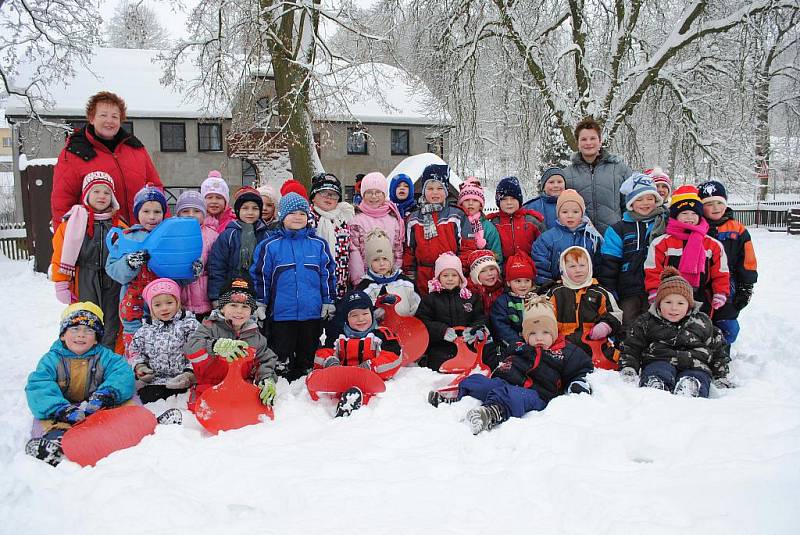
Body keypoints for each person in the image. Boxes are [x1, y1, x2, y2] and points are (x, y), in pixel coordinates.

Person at [430, 296, 593, 435]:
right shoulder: (519, 346)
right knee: (476, 381)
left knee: (510, 395)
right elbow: (497, 361)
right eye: (533, 333)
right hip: (505, 383)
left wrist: (577, 383)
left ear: (554, 333)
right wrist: (488, 344)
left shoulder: (566, 351)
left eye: (545, 333)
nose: (539, 338)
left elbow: (582, 368)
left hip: (535, 394)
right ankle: (457, 400)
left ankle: (491, 413)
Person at [24, 302, 135, 466]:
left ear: (96, 339)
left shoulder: (105, 356)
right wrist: (60, 409)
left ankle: (143, 424)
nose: (81, 335)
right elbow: (39, 385)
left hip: (99, 404)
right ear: (63, 335)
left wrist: (106, 394)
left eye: (89, 330)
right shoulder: (52, 359)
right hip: (64, 408)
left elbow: (123, 373)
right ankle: (55, 444)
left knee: (128, 402)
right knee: (48, 420)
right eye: (75, 329)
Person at [251, 193, 337, 381]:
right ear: (282, 216)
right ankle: (282, 378)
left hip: (312, 312)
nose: (298, 217)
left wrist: (328, 301)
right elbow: (261, 276)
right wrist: (261, 303)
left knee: (308, 350)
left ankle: (306, 375)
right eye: (292, 213)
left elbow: (327, 273)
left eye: (302, 213)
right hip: (282, 313)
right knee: (282, 352)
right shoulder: (271, 246)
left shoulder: (318, 245)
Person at [51, 91, 162, 229]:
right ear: (91, 118)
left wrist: (164, 227)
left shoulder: (136, 149)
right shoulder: (75, 153)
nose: (109, 121)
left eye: (114, 116)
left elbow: (156, 189)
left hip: (141, 235)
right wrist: (63, 242)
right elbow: (62, 203)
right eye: (103, 115)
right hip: (97, 241)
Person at [619, 267, 731, 397]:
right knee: (657, 370)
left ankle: (691, 387)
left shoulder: (702, 322)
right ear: (659, 303)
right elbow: (632, 346)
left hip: (695, 364)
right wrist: (629, 367)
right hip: (660, 360)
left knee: (698, 376)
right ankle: (655, 384)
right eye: (668, 302)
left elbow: (717, 349)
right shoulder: (647, 321)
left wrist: (720, 374)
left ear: (689, 305)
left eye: (680, 303)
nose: (674, 308)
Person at [50, 171, 126, 349]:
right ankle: (84, 360)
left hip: (113, 282)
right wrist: (61, 283)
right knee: (85, 321)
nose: (102, 196)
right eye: (96, 191)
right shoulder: (72, 224)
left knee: (113, 322)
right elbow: (60, 254)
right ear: (86, 195)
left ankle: (110, 361)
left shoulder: (119, 225)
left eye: (107, 192)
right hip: (84, 279)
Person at [184, 277, 279, 412]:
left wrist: (266, 379)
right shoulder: (209, 327)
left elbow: (266, 360)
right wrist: (214, 346)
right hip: (209, 386)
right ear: (222, 308)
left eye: (245, 307)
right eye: (233, 305)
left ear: (251, 312)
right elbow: (191, 349)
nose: (239, 311)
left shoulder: (255, 336)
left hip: (241, 387)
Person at [313, 290, 403, 417]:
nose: (360, 319)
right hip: (342, 378)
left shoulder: (382, 334)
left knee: (367, 393)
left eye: (365, 313)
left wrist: (372, 366)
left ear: (371, 314)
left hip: (370, 380)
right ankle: (335, 406)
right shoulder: (339, 336)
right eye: (354, 315)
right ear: (346, 318)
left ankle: (354, 404)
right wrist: (329, 361)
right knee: (318, 381)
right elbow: (322, 353)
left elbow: (393, 358)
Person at [644, 185, 730, 314]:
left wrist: (720, 292)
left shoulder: (712, 244)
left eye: (694, 213)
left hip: (701, 296)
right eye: (684, 213)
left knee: (698, 329)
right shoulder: (662, 243)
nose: (689, 217)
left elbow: (720, 272)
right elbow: (652, 269)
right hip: (669, 298)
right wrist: (654, 291)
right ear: (675, 215)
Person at [598, 174, 668, 330]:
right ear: (631, 203)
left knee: (657, 326)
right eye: (639, 199)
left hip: (659, 287)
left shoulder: (664, 223)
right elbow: (609, 263)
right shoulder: (618, 229)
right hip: (628, 288)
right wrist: (610, 291)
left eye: (650, 198)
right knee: (629, 326)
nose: (645, 203)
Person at [105, 183, 169, 349]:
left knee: (164, 345)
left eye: (157, 211)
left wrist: (191, 270)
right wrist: (129, 263)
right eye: (146, 211)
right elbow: (112, 269)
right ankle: (137, 371)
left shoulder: (170, 237)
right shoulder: (128, 238)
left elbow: (179, 272)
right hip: (134, 305)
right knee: (136, 347)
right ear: (137, 213)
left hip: (165, 305)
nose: (152, 216)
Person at [698, 180, 758, 344]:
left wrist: (746, 287)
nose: (716, 207)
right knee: (701, 319)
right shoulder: (697, 228)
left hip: (728, 283)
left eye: (719, 202)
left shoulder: (737, 229)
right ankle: (701, 350)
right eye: (709, 204)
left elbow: (747, 261)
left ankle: (722, 350)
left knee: (727, 322)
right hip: (701, 280)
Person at [403, 164, 476, 296]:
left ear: (446, 191)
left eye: (439, 188)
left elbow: (468, 246)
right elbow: (409, 250)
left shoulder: (456, 215)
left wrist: (459, 270)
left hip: (450, 275)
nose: (435, 192)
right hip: (423, 276)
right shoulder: (414, 219)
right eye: (430, 188)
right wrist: (409, 275)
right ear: (424, 191)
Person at [546, 246, 622, 368]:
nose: (578, 270)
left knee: (614, 360)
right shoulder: (555, 293)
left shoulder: (600, 293)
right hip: (563, 342)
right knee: (556, 363)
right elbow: (543, 315)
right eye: (572, 266)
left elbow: (615, 315)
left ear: (590, 266)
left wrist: (605, 326)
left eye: (582, 265)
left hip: (593, 341)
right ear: (563, 269)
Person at [127, 278, 199, 403]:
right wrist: (140, 367)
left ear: (177, 302)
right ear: (150, 307)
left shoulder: (189, 325)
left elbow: (198, 351)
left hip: (183, 381)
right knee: (150, 403)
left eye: (169, 302)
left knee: (185, 403)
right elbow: (134, 352)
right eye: (157, 305)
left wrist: (189, 374)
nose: (164, 308)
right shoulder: (145, 330)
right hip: (155, 382)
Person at [415, 252, 488, 371]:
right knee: (439, 362)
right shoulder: (430, 299)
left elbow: (480, 317)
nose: (450, 279)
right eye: (445, 275)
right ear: (438, 277)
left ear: (460, 277)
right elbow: (422, 322)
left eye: (454, 275)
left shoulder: (471, 297)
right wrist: (441, 331)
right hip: (442, 346)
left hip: (468, 344)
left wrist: (474, 330)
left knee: (481, 359)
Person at [561, 117, 632, 233]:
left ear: (600, 141)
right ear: (577, 143)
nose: (588, 143)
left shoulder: (619, 170)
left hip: (613, 238)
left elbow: (630, 203)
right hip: (580, 239)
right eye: (583, 139)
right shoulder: (566, 174)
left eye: (592, 138)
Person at [207, 186, 269, 306]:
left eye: (255, 208)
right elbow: (217, 267)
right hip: (232, 291)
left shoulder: (266, 235)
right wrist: (216, 297)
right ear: (238, 210)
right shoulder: (228, 235)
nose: (250, 212)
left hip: (258, 293)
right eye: (245, 208)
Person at [531, 189, 603, 288]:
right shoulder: (547, 239)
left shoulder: (592, 237)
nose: (570, 216)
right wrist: (548, 285)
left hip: (587, 287)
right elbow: (540, 265)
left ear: (582, 213)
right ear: (558, 214)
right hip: (557, 288)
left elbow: (600, 264)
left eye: (575, 212)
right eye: (565, 212)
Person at [348, 172, 405, 285]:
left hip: (390, 276)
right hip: (366, 278)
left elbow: (397, 249)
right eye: (369, 192)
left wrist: (395, 272)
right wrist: (359, 280)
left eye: (378, 192)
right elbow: (354, 251)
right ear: (363, 195)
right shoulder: (356, 220)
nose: (374, 196)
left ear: (384, 195)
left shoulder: (393, 219)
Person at [309, 173, 355, 300]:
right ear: (313, 197)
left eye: (334, 194)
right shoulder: (307, 219)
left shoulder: (342, 220)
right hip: (313, 283)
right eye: (324, 193)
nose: (329, 197)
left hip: (340, 283)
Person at [355, 229, 420, 317]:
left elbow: (418, 307)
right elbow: (363, 314)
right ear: (369, 263)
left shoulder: (405, 283)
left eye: (385, 259)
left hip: (407, 326)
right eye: (376, 260)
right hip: (380, 328)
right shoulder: (365, 287)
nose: (382, 263)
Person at [175, 190, 219, 321]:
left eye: (196, 211)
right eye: (185, 211)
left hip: (204, 296)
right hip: (181, 296)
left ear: (204, 213)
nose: (191, 215)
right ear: (178, 213)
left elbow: (216, 266)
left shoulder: (212, 236)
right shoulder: (173, 235)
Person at [487, 176, 545, 261]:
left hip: (530, 269)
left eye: (513, 198)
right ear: (499, 202)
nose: (509, 203)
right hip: (503, 271)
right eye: (504, 199)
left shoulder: (532, 221)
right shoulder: (493, 223)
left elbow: (544, 247)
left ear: (519, 200)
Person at [490, 253, 537, 351]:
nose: (523, 285)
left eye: (527, 281)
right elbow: (501, 326)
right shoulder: (502, 302)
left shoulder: (537, 299)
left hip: (536, 340)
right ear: (508, 282)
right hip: (512, 343)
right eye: (518, 281)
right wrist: (517, 342)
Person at [457, 178, 503, 265]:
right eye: (466, 200)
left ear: (481, 205)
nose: (470, 203)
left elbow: (497, 256)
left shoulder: (488, 228)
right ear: (461, 204)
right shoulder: (456, 224)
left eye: (475, 200)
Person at [466, 249, 504, 314]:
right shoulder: (470, 294)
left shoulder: (503, 289)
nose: (489, 274)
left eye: (492, 269)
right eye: (483, 271)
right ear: (475, 276)